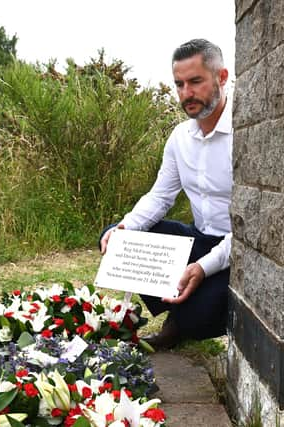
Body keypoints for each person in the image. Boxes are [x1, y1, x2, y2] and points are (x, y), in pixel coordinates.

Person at [99, 38, 232, 350]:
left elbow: (250, 231)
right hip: (202, 237)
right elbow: (160, 196)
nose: (186, 94)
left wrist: (203, 268)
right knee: (118, 236)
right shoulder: (179, 137)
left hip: (240, 252)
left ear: (222, 77)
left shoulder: (247, 132)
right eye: (179, 84)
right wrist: (125, 228)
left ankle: (183, 320)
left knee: (197, 321)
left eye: (196, 82)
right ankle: (180, 309)